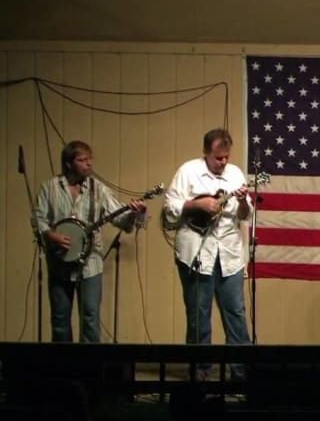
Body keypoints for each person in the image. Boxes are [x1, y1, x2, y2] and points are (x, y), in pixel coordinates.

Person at [34, 140, 146, 343]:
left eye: (89, 159)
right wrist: (52, 235)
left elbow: (120, 219)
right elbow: (38, 219)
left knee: (90, 319)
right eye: (82, 160)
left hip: (90, 265)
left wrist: (134, 215)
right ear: (68, 163)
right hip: (59, 264)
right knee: (60, 321)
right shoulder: (50, 188)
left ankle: (90, 370)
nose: (89, 164)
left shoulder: (99, 190)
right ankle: (62, 371)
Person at [164, 128, 252, 380]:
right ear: (205, 153)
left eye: (226, 157)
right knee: (198, 314)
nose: (223, 162)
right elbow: (170, 207)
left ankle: (241, 373)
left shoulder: (235, 174)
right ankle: (200, 372)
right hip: (196, 252)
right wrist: (195, 204)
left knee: (235, 313)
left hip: (229, 254)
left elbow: (245, 215)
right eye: (218, 158)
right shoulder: (188, 171)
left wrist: (244, 201)